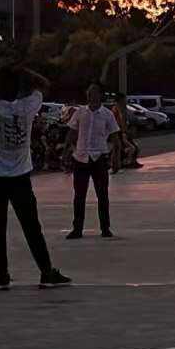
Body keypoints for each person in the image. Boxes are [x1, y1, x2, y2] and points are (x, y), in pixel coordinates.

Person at [0, 63, 69, 290]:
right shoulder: (27, 107)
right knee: (32, 227)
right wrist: (23, 70)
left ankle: (2, 275)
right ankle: (46, 272)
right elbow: (44, 85)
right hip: (20, 176)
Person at [65, 83, 120, 239]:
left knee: (102, 195)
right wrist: (66, 153)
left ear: (100, 95)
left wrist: (116, 158)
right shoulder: (80, 112)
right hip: (81, 158)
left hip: (99, 158)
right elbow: (72, 133)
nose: (91, 96)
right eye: (89, 93)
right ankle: (77, 229)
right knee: (79, 195)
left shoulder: (107, 114)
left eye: (94, 93)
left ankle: (105, 228)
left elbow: (115, 137)